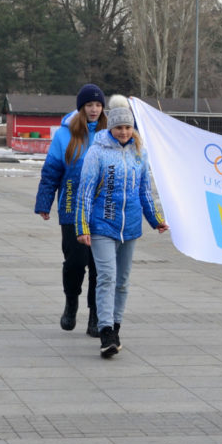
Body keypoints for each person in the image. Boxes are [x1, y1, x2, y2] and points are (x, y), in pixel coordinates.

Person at [76, 95, 169, 358]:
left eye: (128, 127)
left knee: (123, 281)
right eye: (119, 128)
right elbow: (85, 191)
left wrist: (155, 220)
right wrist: (82, 227)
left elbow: (144, 192)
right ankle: (105, 330)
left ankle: (115, 326)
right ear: (111, 128)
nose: (124, 132)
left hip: (130, 229)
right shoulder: (97, 152)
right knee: (106, 276)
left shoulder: (140, 153)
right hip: (102, 226)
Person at [35, 83, 106, 337]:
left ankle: (96, 316)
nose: (94, 109)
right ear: (81, 107)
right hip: (71, 207)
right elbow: (52, 169)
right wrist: (44, 202)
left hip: (102, 209)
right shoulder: (65, 134)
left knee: (100, 264)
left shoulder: (110, 133)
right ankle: (71, 302)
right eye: (90, 105)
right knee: (75, 262)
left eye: (98, 105)